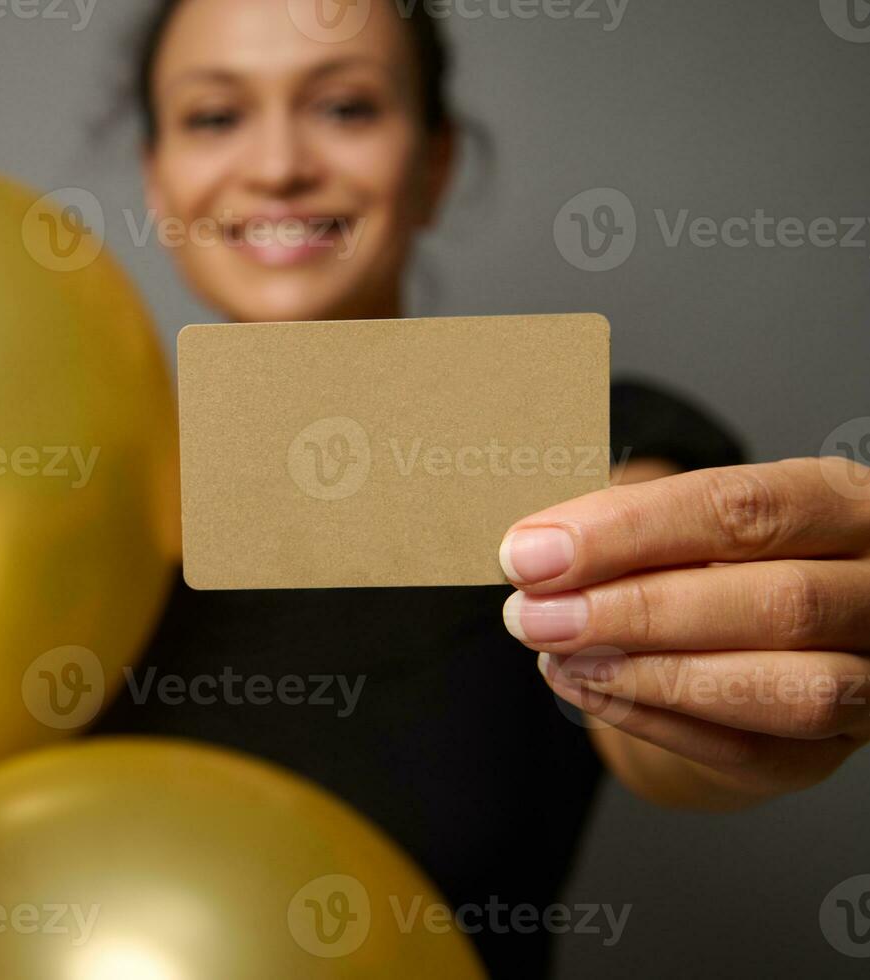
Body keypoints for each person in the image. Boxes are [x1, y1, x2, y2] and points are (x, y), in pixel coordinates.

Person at [93, 1, 870, 974]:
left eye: (345, 107)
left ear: (435, 162)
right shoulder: (56, 487)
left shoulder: (590, 442)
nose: (279, 163)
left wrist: (745, 688)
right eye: (215, 117)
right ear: (155, 175)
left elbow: (674, 737)